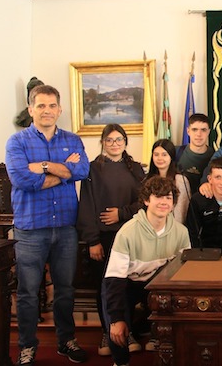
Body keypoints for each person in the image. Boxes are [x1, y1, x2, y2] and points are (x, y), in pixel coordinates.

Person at [5, 84, 90, 365]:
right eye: (41, 105)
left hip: (65, 227)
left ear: (60, 109)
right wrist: (62, 170)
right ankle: (27, 347)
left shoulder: (72, 140)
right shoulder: (17, 142)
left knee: (65, 289)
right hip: (30, 229)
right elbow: (21, 179)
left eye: (52, 105)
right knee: (28, 293)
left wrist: (41, 166)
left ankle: (66, 341)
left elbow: (82, 170)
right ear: (31, 109)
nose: (47, 111)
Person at [102, 176, 190, 366]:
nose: (164, 202)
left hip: (157, 284)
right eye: (158, 197)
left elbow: (182, 274)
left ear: (173, 203)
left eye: (168, 197)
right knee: (116, 329)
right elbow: (114, 280)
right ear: (146, 200)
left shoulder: (181, 232)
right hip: (125, 284)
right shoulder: (127, 232)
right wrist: (116, 319)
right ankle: (121, 362)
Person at [76, 124, 145, 356]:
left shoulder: (136, 169)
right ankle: (108, 331)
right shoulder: (92, 169)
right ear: (103, 143)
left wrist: (122, 213)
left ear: (125, 142)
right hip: (103, 238)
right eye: (109, 140)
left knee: (127, 285)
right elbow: (86, 205)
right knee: (105, 286)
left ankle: (128, 330)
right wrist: (92, 240)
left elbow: (144, 202)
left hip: (131, 235)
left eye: (119, 140)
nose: (114, 144)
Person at [146, 139, 191, 225]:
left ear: (171, 157)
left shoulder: (180, 180)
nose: (160, 158)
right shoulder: (148, 179)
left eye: (164, 155)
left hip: (173, 227)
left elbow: (182, 213)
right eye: (156, 155)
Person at [177, 113, 215, 194]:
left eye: (203, 130)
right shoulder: (177, 152)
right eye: (194, 129)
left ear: (208, 132)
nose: (199, 134)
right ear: (188, 131)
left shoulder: (215, 157)